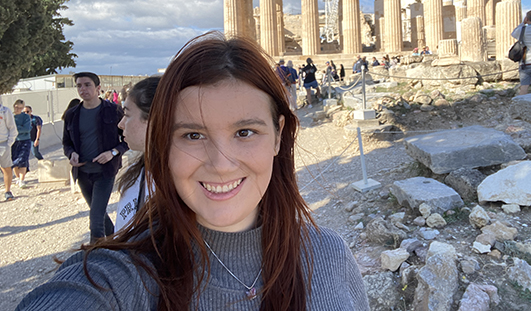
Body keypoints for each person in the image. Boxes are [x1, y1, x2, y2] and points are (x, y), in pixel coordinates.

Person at [16, 32, 368, 311]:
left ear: (278, 135)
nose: (221, 163)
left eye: (245, 132)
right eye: (193, 135)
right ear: (164, 144)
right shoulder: (120, 277)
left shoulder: (329, 255)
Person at [62, 72, 128, 243]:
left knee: (95, 220)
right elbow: (66, 143)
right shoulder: (72, 114)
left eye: (87, 84)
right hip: (82, 173)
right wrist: (71, 154)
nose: (83, 89)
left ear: (98, 88)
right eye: (79, 85)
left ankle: (94, 256)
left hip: (105, 172)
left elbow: (128, 139)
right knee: (98, 213)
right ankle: (117, 242)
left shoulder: (113, 111)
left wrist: (112, 152)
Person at [115, 76, 161, 232]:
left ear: (153, 119)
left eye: (127, 115)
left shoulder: (183, 184)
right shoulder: (134, 174)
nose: (120, 124)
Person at [12, 99, 32, 188]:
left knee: (23, 160)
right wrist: (19, 128)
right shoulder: (11, 117)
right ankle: (17, 177)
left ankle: (22, 179)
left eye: (20, 108)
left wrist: (15, 129)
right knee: (14, 161)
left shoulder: (26, 117)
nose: (18, 109)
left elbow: (26, 129)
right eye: (16, 107)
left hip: (25, 140)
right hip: (13, 141)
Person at [1, 102, 18, 201]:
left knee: (6, 168)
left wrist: (8, 144)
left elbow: (12, 128)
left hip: (3, 143)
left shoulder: (4, 111)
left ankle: (7, 191)